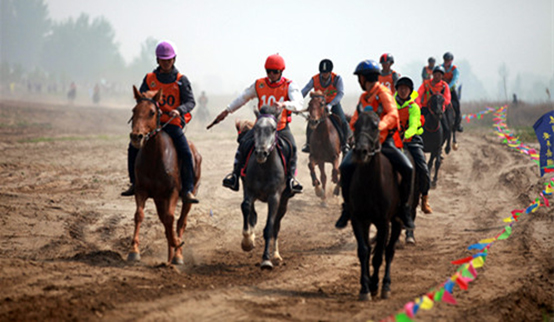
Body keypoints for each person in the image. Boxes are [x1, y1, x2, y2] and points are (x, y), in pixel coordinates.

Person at [335, 59, 415, 230]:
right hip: (364, 142)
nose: (359, 81)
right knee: (345, 167)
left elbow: (393, 115)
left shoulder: (384, 93)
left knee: (407, 168)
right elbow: (356, 118)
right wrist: (356, 129)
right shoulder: (364, 97)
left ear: (364, 78)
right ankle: (347, 207)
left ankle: (403, 209)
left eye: (359, 78)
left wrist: (378, 127)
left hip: (385, 141)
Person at [212, 54, 304, 194]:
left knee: (292, 147)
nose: (271, 75)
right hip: (260, 128)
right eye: (268, 71)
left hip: (280, 128)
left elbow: (299, 103)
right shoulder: (259, 84)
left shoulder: (289, 85)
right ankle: (235, 175)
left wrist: (284, 104)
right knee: (243, 143)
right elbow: (243, 97)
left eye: (275, 72)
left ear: (281, 71)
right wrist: (227, 110)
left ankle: (291, 180)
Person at [121, 40, 198, 203]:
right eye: (163, 60)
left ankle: (188, 189)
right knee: (132, 147)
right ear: (157, 60)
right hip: (151, 124)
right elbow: (141, 98)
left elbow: (191, 102)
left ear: (174, 60)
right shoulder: (149, 78)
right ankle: (134, 183)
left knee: (185, 152)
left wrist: (179, 110)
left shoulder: (181, 80)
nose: (166, 63)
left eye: (169, 60)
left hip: (172, 123)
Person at [393, 76, 433, 214]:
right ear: (397, 89)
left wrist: (406, 135)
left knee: (423, 168)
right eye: (401, 88)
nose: (403, 91)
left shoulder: (414, 107)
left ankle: (424, 199)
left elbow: (414, 124)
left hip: (411, 142)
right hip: (392, 140)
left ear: (410, 91)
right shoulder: (390, 104)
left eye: (406, 89)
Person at [301, 59, 351, 153]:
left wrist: (331, 105)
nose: (324, 75)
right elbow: (305, 90)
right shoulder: (314, 79)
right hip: (319, 105)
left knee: (343, 121)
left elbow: (340, 93)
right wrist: (297, 100)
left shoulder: (337, 79)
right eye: (322, 72)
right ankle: (308, 144)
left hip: (333, 103)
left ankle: (345, 144)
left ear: (330, 72)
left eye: (326, 73)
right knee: (311, 120)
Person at [416, 66, 451, 131]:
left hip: (439, 110)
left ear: (442, 76)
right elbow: (418, 95)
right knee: (417, 125)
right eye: (435, 74)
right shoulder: (426, 84)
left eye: (439, 75)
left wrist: (441, 105)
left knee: (446, 128)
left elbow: (447, 99)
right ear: (433, 74)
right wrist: (418, 105)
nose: (437, 76)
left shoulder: (444, 85)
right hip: (426, 108)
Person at [441, 52, 463, 132]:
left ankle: (458, 123)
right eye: (446, 60)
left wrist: (448, 87)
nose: (447, 62)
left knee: (457, 105)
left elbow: (454, 80)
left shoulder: (454, 69)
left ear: (451, 61)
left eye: (448, 60)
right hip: (441, 89)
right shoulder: (440, 67)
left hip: (451, 90)